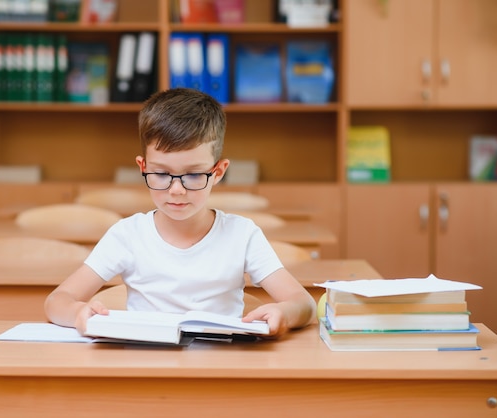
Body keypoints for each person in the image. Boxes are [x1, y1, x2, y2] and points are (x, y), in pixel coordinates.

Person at [44, 88, 316, 337]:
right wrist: (78, 313)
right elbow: (58, 301)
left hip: (222, 367)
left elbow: (303, 303)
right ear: (143, 167)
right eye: (161, 174)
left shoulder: (242, 235)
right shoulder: (127, 235)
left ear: (218, 171)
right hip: (147, 366)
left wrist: (284, 312)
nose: (176, 190)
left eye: (194, 174)